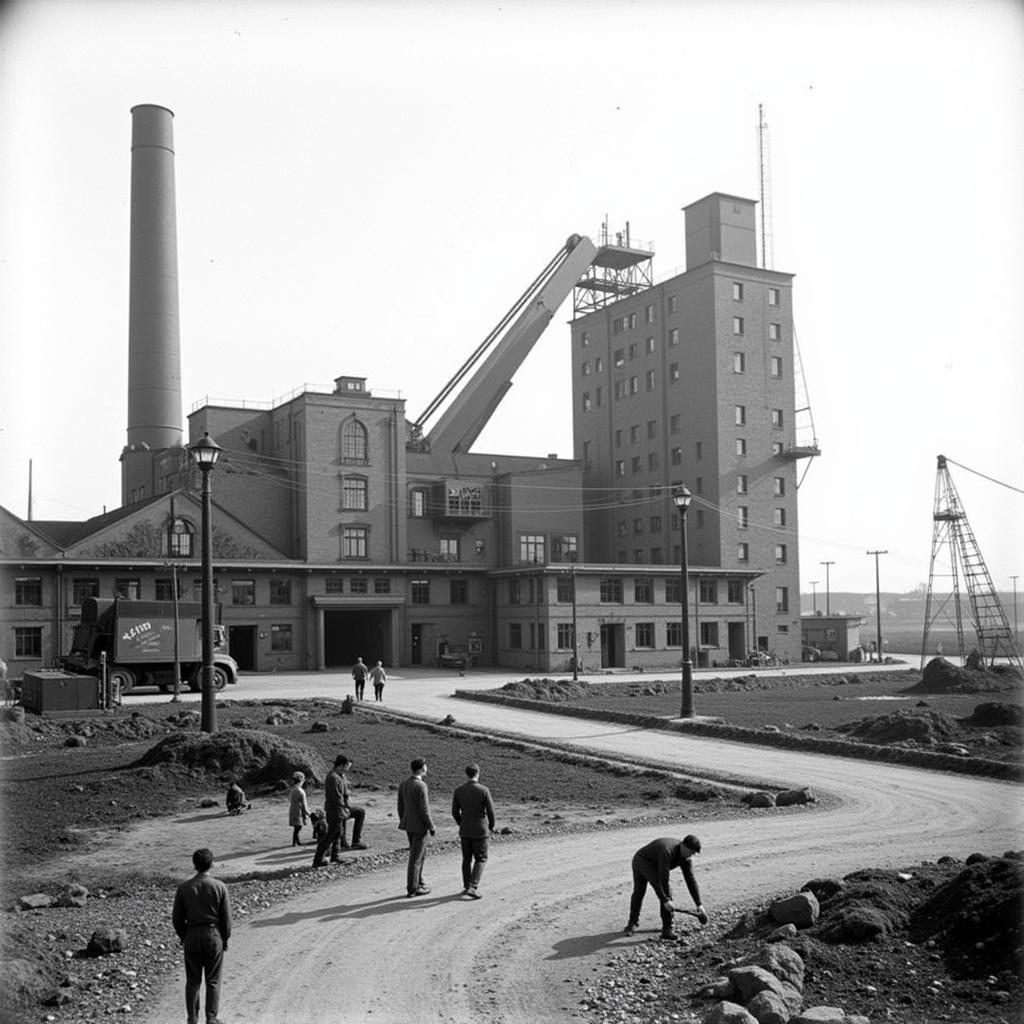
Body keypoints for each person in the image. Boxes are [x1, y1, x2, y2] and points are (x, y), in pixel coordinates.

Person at [171, 847, 232, 1024]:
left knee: (192, 981)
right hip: (214, 935)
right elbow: (226, 918)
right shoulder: (219, 887)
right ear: (212, 864)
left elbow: (177, 919)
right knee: (213, 980)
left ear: (194, 865)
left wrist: (184, 935)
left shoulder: (184, 888)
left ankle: (192, 1018)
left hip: (192, 935)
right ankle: (211, 1018)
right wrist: (225, 939)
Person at [624, 835, 706, 940]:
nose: (692, 855)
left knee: (666, 894)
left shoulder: (686, 857)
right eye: (691, 852)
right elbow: (661, 880)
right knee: (640, 892)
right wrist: (665, 900)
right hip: (642, 861)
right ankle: (633, 923)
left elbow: (690, 880)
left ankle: (667, 929)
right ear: (684, 847)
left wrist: (699, 904)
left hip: (655, 864)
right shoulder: (667, 851)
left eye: (694, 853)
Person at [451, 763, 495, 899]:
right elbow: (491, 812)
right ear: (478, 773)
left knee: (466, 859)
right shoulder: (484, 790)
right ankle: (473, 886)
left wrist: (461, 822)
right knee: (481, 858)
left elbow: (454, 812)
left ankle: (466, 886)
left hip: (465, 828)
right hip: (480, 828)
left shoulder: (458, 790)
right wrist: (491, 827)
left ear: (466, 774)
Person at [312, 755, 367, 866]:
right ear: (342, 765)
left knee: (337, 833)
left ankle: (334, 857)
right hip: (335, 810)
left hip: (340, 809)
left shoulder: (340, 776)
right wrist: (346, 808)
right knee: (331, 834)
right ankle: (318, 859)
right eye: (347, 766)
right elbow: (337, 797)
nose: (348, 768)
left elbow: (345, 793)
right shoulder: (333, 778)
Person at [397, 757, 435, 897]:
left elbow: (400, 806)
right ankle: (413, 888)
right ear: (421, 768)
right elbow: (424, 809)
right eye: (425, 766)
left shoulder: (404, 784)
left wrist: (404, 820)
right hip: (420, 826)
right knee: (416, 857)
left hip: (408, 824)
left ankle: (418, 881)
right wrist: (431, 826)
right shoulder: (421, 786)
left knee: (418, 854)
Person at [288, 771, 310, 846]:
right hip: (299, 811)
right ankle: (295, 842)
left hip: (292, 809)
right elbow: (304, 803)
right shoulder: (301, 791)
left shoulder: (292, 790)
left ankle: (297, 841)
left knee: (296, 826)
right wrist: (307, 812)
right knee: (298, 826)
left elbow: (290, 799)